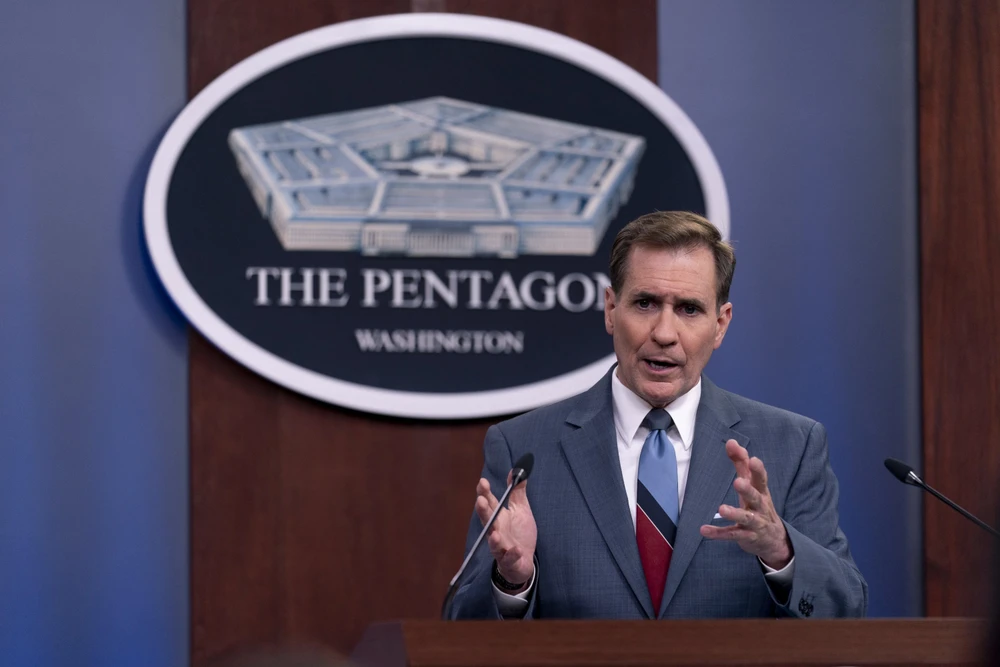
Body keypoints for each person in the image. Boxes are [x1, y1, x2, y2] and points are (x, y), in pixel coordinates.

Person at [448, 211, 867, 620]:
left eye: (689, 309)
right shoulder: (524, 448)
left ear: (720, 324)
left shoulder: (792, 445)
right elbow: (461, 625)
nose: (664, 333)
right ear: (611, 309)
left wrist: (781, 551)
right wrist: (513, 581)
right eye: (645, 303)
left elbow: (845, 610)